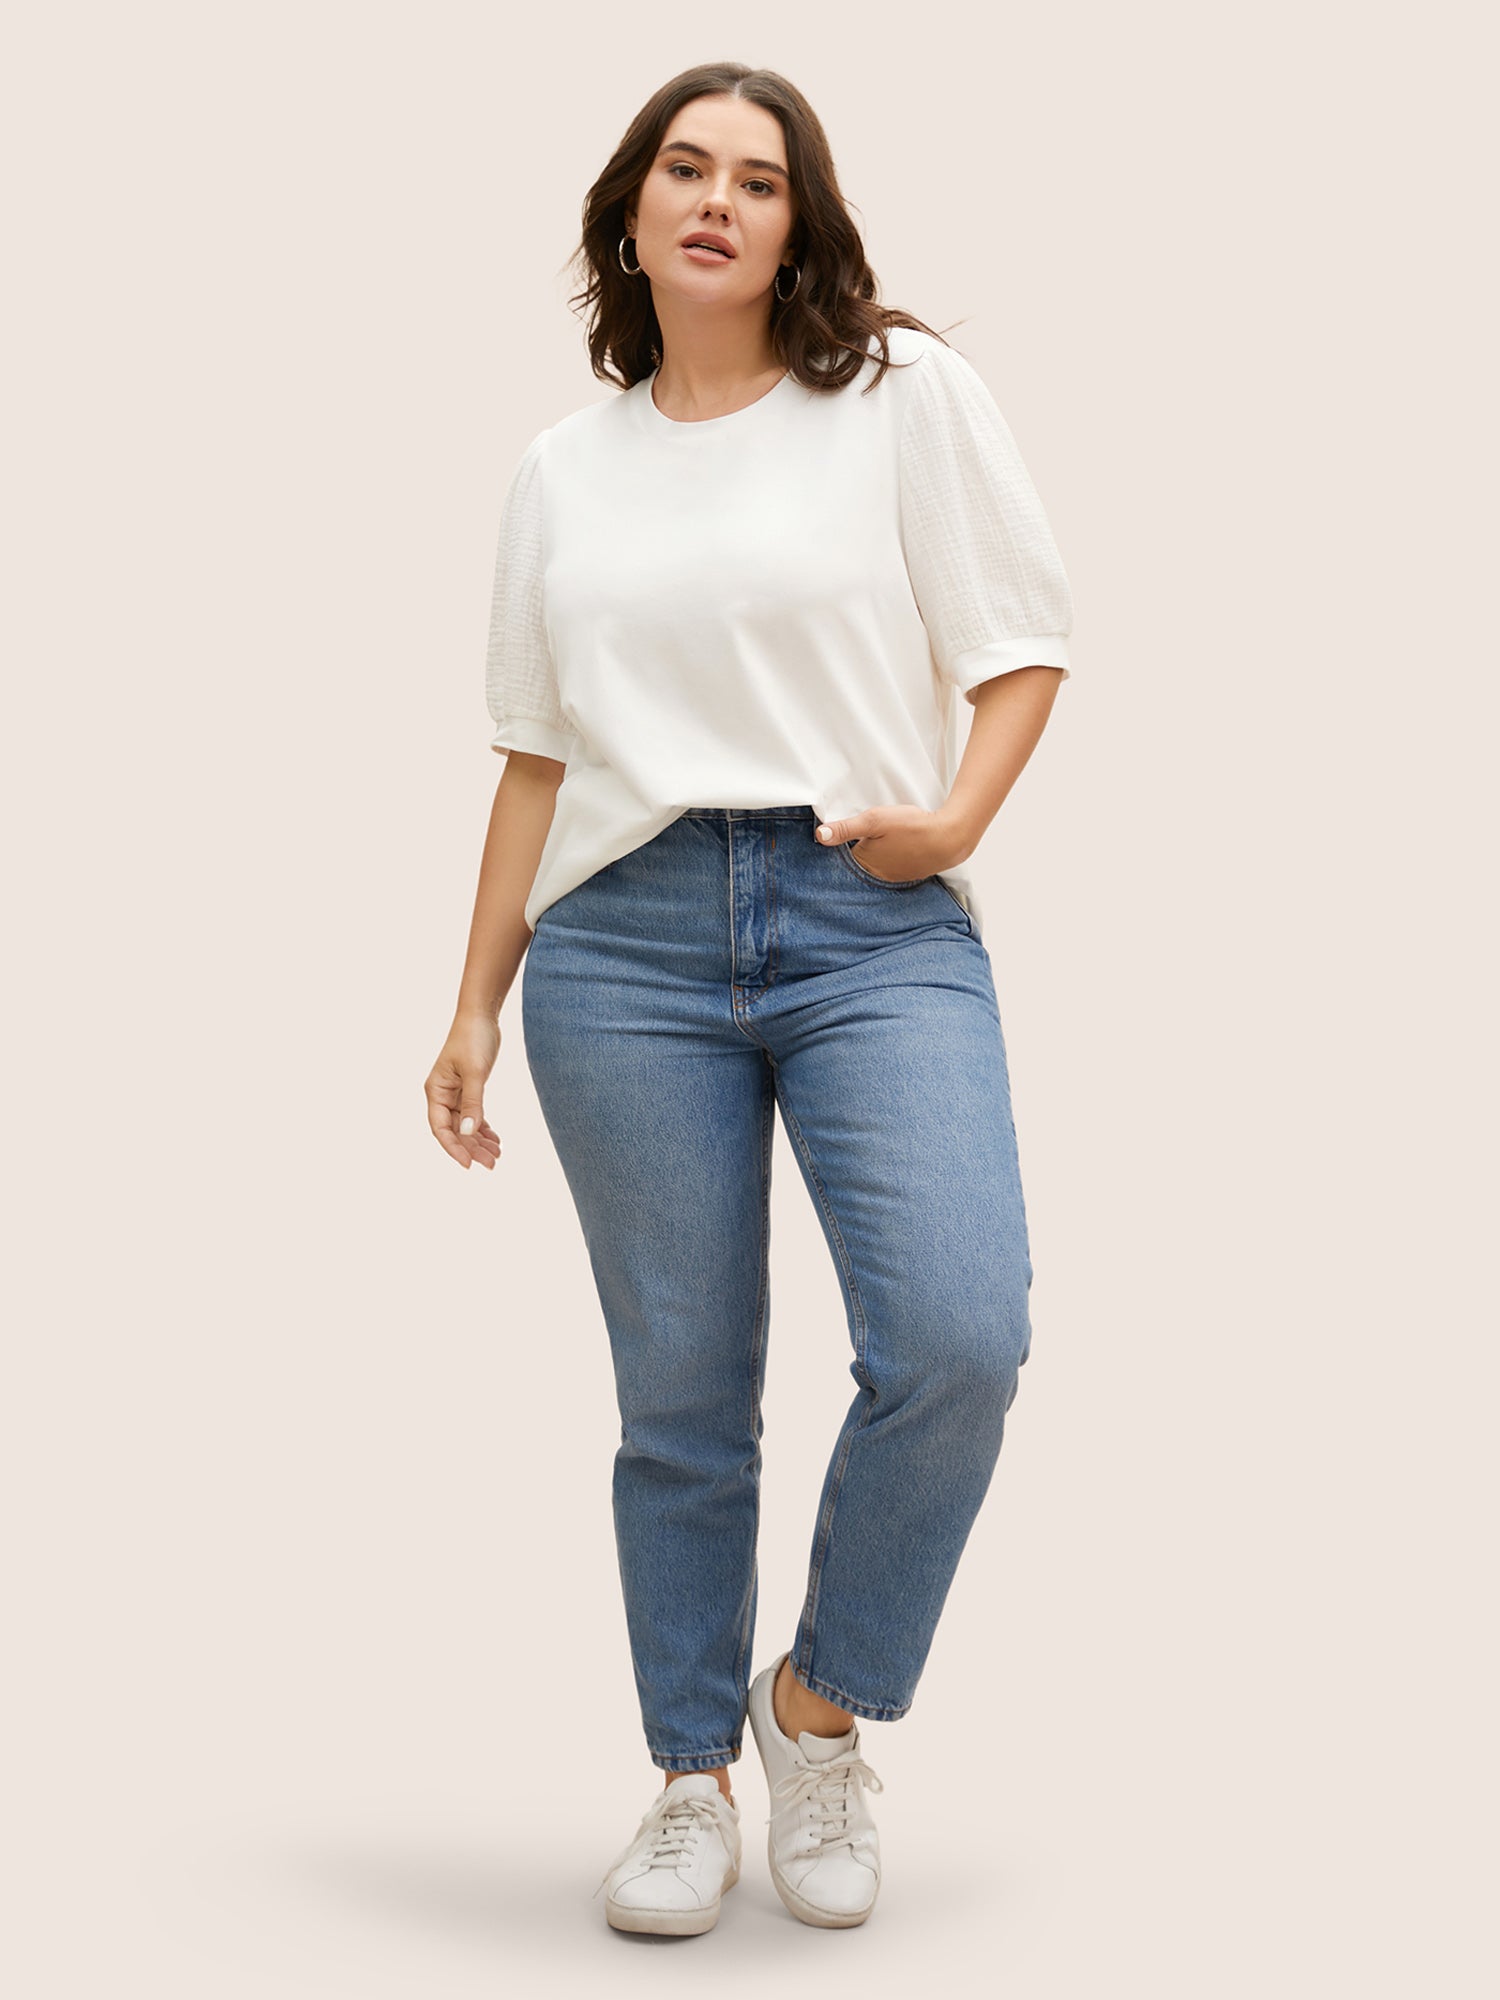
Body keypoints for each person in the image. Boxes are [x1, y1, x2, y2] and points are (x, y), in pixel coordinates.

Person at [424, 62, 1074, 1938]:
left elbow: (1022, 644)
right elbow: (537, 757)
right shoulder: (563, 472)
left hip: (868, 917)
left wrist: (952, 818)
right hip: (619, 947)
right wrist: (471, 1003)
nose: (719, 199)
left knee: (960, 1333)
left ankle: (821, 1710)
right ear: (630, 215)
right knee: (682, 1398)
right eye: (686, 169)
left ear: (801, 225)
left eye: (761, 179)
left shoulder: (898, 394)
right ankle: (688, 1777)